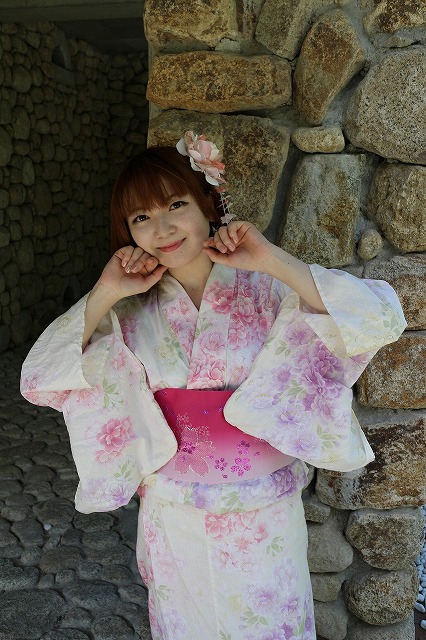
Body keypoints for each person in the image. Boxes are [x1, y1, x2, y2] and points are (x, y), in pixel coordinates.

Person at [21, 131, 406, 640]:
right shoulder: (129, 309)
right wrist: (107, 291)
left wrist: (270, 260)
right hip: (172, 510)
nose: (161, 228)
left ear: (208, 202)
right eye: (140, 217)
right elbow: (41, 377)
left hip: (263, 508)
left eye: (175, 205)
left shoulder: (267, 287)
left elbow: (379, 317)